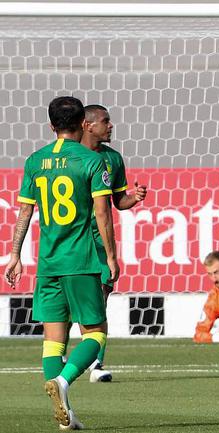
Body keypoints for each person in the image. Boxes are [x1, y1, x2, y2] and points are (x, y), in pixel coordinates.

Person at [4, 96, 119, 430]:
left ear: (51, 125)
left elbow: (25, 212)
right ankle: (64, 381)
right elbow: (102, 213)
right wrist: (111, 257)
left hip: (48, 264)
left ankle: (65, 416)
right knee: (96, 334)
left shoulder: (35, 161)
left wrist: (14, 255)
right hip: (81, 261)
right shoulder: (92, 161)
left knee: (53, 341)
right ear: (83, 123)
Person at [78, 104, 147, 383]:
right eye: (105, 121)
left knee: (101, 297)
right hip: (74, 236)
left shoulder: (113, 158)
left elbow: (119, 201)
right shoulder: (71, 156)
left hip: (100, 236)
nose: (111, 125)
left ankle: (95, 363)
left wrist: (134, 197)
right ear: (87, 125)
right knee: (70, 301)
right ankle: (62, 355)